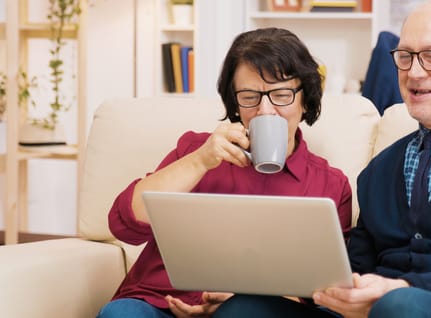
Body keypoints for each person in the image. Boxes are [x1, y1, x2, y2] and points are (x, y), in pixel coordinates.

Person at [214, 0, 431, 318]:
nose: (413, 72)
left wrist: (400, 289)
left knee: (400, 306)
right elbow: (357, 270)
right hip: (381, 311)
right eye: (405, 56)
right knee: (245, 308)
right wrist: (326, 292)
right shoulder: (381, 169)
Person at [96, 27, 352, 318]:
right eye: (249, 97)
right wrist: (200, 161)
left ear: (305, 99)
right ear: (234, 101)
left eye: (281, 94)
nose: (265, 110)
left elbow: (325, 292)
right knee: (120, 314)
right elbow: (123, 226)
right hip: (161, 303)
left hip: (251, 311)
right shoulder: (196, 150)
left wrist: (238, 300)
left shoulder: (330, 184)